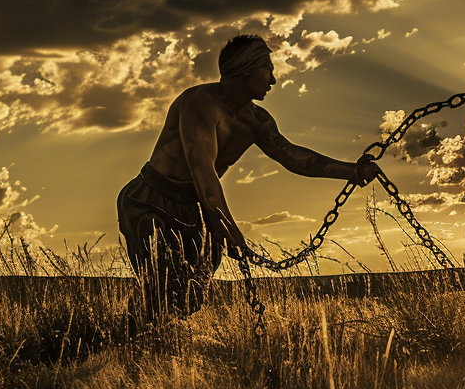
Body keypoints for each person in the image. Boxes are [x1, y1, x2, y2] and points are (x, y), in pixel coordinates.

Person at [117, 34, 380, 330]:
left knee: (188, 297)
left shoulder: (257, 121)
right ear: (246, 70)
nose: (273, 80)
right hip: (151, 200)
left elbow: (293, 157)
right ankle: (128, 343)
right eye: (267, 69)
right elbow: (202, 170)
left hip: (196, 206)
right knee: (160, 288)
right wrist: (228, 229)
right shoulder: (198, 103)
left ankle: (141, 339)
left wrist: (352, 171)